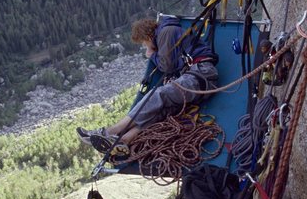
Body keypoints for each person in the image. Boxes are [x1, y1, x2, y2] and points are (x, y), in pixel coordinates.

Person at [77, 16, 219, 158]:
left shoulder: (166, 32)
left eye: (144, 43)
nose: (145, 46)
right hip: (197, 80)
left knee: (158, 95)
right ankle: (123, 140)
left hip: (200, 74)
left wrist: (152, 54)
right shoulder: (167, 33)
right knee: (160, 110)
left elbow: (166, 65)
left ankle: (110, 131)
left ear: (148, 35)